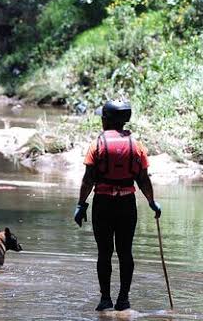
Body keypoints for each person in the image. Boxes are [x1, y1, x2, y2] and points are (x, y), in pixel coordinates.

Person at [73, 100, 161, 311]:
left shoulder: (97, 145)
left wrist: (81, 204)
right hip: (126, 206)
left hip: (103, 205)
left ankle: (105, 299)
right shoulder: (136, 145)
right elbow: (143, 179)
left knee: (104, 253)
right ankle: (123, 300)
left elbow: (88, 179)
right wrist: (151, 202)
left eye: (103, 117)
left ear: (107, 120)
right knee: (125, 252)